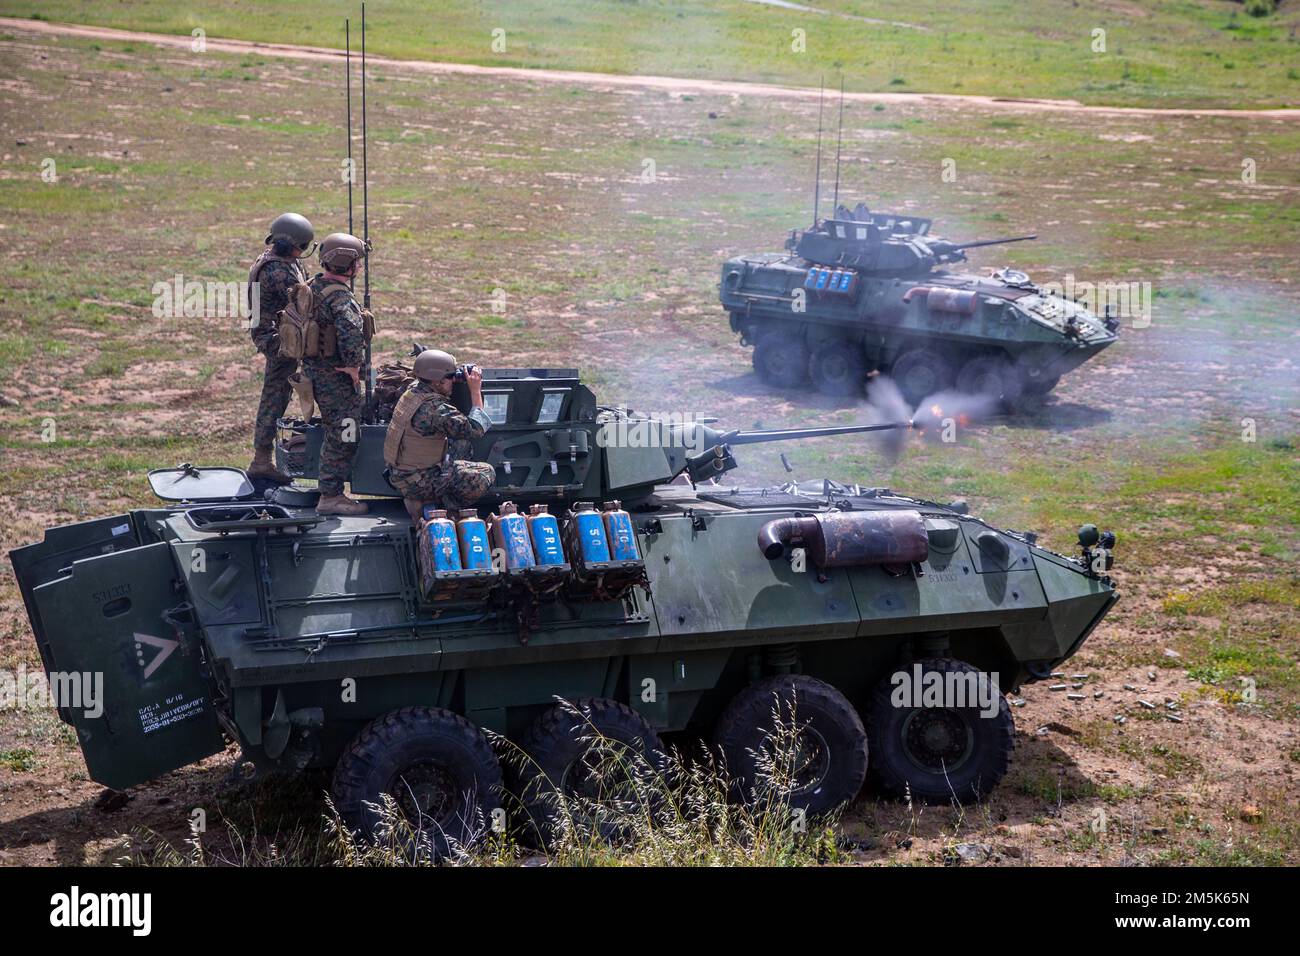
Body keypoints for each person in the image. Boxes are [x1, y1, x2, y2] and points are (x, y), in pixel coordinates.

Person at [384, 348, 495, 523]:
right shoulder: (436, 410)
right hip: (418, 482)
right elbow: (477, 428)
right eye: (450, 377)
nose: (453, 381)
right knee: (485, 474)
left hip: (400, 473)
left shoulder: (413, 391)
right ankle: (444, 508)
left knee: (461, 446)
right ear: (437, 381)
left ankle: (422, 497)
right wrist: (475, 390)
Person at [305, 232, 373, 516]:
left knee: (334, 428)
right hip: (336, 377)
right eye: (357, 261)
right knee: (345, 432)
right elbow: (350, 332)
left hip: (313, 371)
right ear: (348, 265)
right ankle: (331, 495)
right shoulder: (341, 298)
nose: (360, 267)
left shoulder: (312, 287)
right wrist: (354, 366)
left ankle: (329, 487)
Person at [247, 212, 314, 483]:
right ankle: (261, 460)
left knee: (280, 392)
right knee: (275, 395)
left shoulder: (280, 260)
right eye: (303, 246)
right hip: (277, 339)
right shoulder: (277, 271)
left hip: (280, 332)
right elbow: (303, 301)